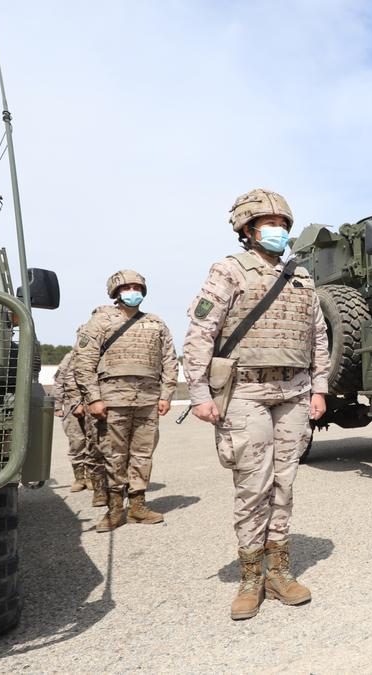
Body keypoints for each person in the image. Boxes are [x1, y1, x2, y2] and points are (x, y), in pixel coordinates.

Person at [182, 188, 330, 621]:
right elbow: (200, 334)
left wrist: (319, 388)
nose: (279, 231)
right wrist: (199, 394)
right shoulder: (228, 271)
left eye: (284, 224)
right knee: (253, 487)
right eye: (269, 224)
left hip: (293, 393)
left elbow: (318, 336)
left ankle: (278, 572)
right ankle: (250, 575)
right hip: (245, 392)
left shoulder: (301, 276)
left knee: (284, 484)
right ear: (247, 229)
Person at [74, 270, 179, 532]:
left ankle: (138, 507)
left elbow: (169, 360)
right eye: (127, 287)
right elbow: (84, 363)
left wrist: (166, 394)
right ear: (115, 292)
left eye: (137, 287)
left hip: (147, 399)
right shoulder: (100, 322)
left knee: (143, 454)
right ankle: (114, 510)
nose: (133, 292)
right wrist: (93, 399)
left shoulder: (156, 323)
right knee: (113, 455)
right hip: (112, 400)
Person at [53, 350, 97, 492]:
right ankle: (79, 478)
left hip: (93, 403)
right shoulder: (71, 356)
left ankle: (91, 476)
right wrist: (58, 405)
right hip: (72, 405)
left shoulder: (99, 354)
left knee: (93, 442)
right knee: (77, 442)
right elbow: (59, 380)